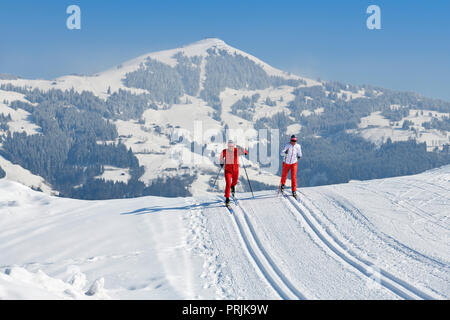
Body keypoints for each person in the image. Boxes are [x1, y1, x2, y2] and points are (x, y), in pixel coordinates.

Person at [219, 140, 248, 205]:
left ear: (233, 146)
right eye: (229, 146)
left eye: (232, 146)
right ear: (228, 146)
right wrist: (221, 162)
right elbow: (221, 157)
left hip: (235, 170)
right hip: (227, 171)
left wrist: (241, 148)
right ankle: (227, 198)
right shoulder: (224, 151)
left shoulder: (237, 150)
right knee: (228, 183)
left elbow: (246, 153)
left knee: (234, 182)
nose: (230, 147)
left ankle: (233, 186)